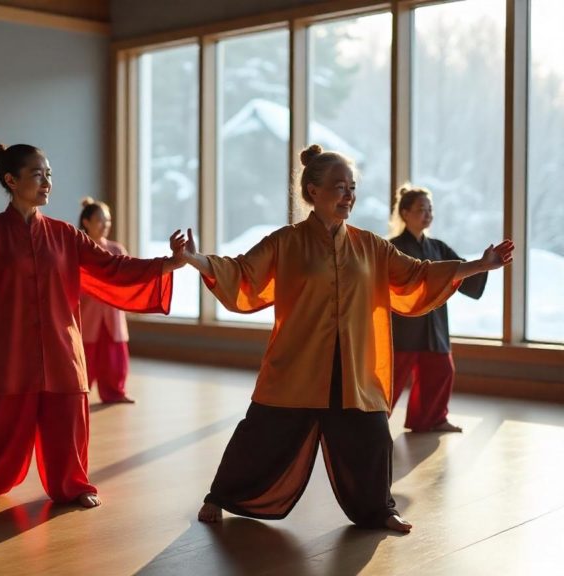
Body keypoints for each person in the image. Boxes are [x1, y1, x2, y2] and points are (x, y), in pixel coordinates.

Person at [178, 144, 513, 532]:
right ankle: (219, 497)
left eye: (352, 187)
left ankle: (379, 509)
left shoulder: (369, 245)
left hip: (355, 367)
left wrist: (480, 265)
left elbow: (418, 275)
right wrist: (195, 258)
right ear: (312, 193)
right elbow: (242, 273)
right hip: (298, 367)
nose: (349, 195)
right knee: (262, 434)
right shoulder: (286, 242)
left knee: (372, 438)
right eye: (340, 187)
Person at [0, 143, 185, 507]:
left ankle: (74, 486)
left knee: (67, 421)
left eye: (49, 174)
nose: (47, 182)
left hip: (62, 348)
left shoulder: (65, 235)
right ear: (11, 180)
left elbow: (113, 267)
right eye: (37, 174)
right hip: (9, 349)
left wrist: (165, 265)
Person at [389, 185, 488, 433]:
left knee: (442, 370)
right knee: (390, 380)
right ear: (404, 213)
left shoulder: (438, 247)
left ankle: (430, 419)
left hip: (433, 323)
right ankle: (371, 424)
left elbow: (460, 270)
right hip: (404, 323)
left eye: (430, 209)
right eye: (421, 209)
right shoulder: (392, 247)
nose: (427, 214)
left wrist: (483, 264)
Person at [78, 198, 135, 404]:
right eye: (100, 220)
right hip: (87, 312)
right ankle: (78, 393)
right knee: (85, 357)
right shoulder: (79, 249)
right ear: (87, 222)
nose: (105, 225)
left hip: (112, 313)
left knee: (114, 358)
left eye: (108, 221)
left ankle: (115, 392)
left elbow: (128, 276)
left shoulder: (117, 249)